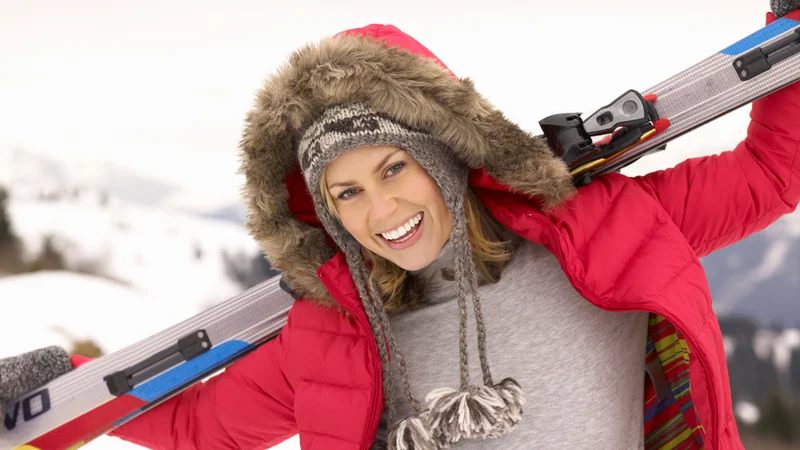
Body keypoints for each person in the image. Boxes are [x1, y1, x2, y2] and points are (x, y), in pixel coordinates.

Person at [3, 4, 800, 449]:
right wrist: (60, 387)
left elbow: (772, 173)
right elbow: (200, 425)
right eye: (344, 193)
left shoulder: (605, 227)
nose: (380, 212)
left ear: (446, 156)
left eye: (394, 170)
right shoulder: (332, 332)